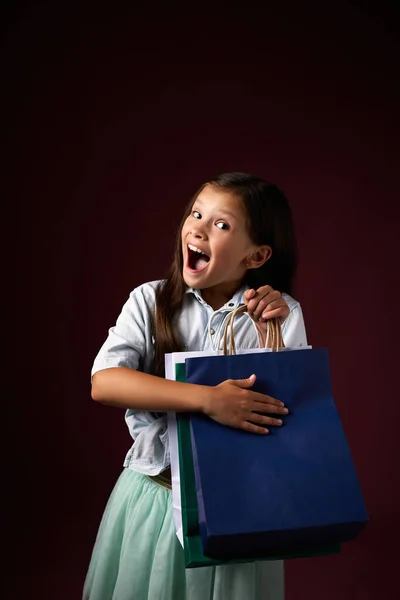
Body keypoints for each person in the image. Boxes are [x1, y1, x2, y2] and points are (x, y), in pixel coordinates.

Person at [83, 172, 308, 600]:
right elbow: (105, 382)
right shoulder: (150, 301)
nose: (198, 228)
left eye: (222, 225)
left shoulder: (278, 315)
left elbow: (291, 413)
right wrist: (208, 400)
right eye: (196, 213)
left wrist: (274, 336)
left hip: (241, 512)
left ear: (256, 256)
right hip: (152, 501)